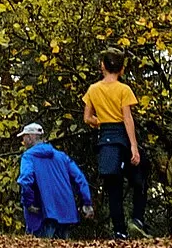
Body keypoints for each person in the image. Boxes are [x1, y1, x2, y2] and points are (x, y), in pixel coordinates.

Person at [84, 52, 145, 238]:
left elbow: (87, 118)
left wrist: (100, 121)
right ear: (122, 69)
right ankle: (137, 219)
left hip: (105, 138)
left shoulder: (93, 90)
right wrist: (134, 146)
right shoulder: (123, 89)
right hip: (122, 137)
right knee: (139, 179)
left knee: (113, 187)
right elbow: (127, 118)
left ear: (102, 65)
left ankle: (119, 231)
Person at [17, 122, 93, 236]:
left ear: (30, 137)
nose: (23, 143)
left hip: (42, 215)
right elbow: (80, 178)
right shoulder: (61, 156)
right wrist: (86, 202)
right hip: (66, 213)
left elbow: (25, 180)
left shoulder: (28, 156)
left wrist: (28, 203)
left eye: (24, 139)